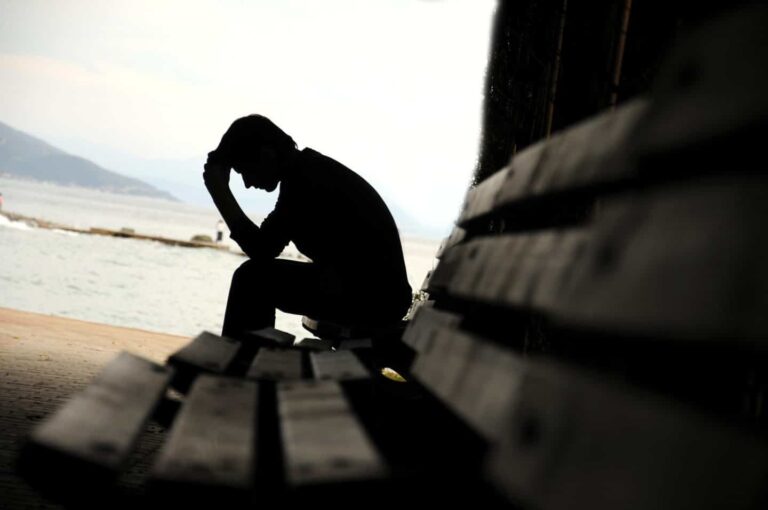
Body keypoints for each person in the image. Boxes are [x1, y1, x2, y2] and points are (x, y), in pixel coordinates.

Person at [203, 115, 412, 339]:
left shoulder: (305, 181)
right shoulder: (306, 172)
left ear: (266, 154)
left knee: (252, 280)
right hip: (376, 294)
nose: (247, 183)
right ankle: (245, 359)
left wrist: (220, 193)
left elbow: (261, 249)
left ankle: (238, 364)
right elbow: (265, 245)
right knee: (254, 277)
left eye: (245, 170)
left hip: (374, 298)